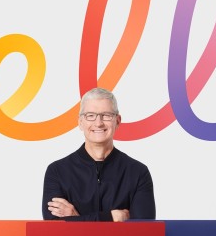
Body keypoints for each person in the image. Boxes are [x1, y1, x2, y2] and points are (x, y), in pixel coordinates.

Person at [43, 87, 155, 222]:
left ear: (117, 121)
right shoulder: (57, 171)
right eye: (90, 115)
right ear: (80, 122)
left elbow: (144, 230)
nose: (98, 123)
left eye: (106, 115)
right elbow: (53, 228)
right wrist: (112, 217)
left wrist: (76, 219)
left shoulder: (138, 172)